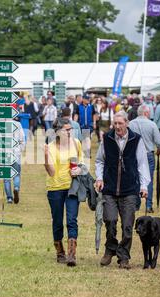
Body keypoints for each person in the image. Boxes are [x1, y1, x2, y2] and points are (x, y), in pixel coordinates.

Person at [95, 111, 150, 269]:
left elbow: (142, 164)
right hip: (110, 189)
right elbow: (99, 161)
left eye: (120, 123)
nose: (117, 126)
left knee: (127, 226)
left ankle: (124, 256)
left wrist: (144, 186)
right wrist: (99, 178)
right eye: (115, 123)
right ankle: (110, 248)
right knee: (110, 220)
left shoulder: (136, 140)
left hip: (130, 189)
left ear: (127, 123)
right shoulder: (107, 139)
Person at [44, 118, 84, 267]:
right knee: (58, 221)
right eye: (67, 130)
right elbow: (52, 172)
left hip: (72, 187)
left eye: (70, 129)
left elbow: (82, 163)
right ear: (58, 132)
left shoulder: (76, 143)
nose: (70, 132)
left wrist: (79, 169)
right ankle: (60, 252)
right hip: (55, 188)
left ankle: (72, 254)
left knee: (72, 219)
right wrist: (46, 159)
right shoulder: (51, 147)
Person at [129, 105, 160, 213]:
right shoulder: (152, 124)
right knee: (149, 180)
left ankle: (136, 204)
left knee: (135, 179)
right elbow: (159, 141)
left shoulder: (131, 124)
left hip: (134, 154)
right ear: (146, 113)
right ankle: (148, 205)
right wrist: (158, 148)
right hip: (148, 153)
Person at [4, 118, 25, 204]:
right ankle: (16, 188)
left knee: (6, 178)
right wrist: (20, 150)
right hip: (16, 153)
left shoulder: (1, 124)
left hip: (5, 154)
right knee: (17, 174)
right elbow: (22, 138)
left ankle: (9, 198)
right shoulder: (18, 124)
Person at [73, 94, 96, 158]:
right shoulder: (78, 107)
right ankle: (83, 153)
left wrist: (94, 123)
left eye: (88, 99)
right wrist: (74, 124)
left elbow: (94, 115)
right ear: (83, 99)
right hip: (81, 125)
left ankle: (88, 153)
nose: (88, 100)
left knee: (88, 139)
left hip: (89, 125)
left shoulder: (91, 106)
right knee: (83, 140)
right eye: (86, 99)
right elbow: (76, 115)